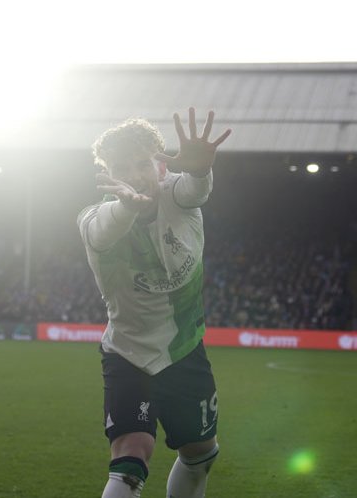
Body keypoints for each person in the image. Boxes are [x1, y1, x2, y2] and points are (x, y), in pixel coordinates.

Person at [78, 108, 231, 498]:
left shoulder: (176, 194)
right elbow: (104, 229)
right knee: (131, 456)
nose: (134, 174)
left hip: (184, 350)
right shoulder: (94, 219)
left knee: (201, 454)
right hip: (129, 353)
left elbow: (196, 191)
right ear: (105, 173)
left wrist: (199, 171)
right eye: (121, 167)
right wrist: (128, 205)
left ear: (161, 166)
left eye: (143, 163)